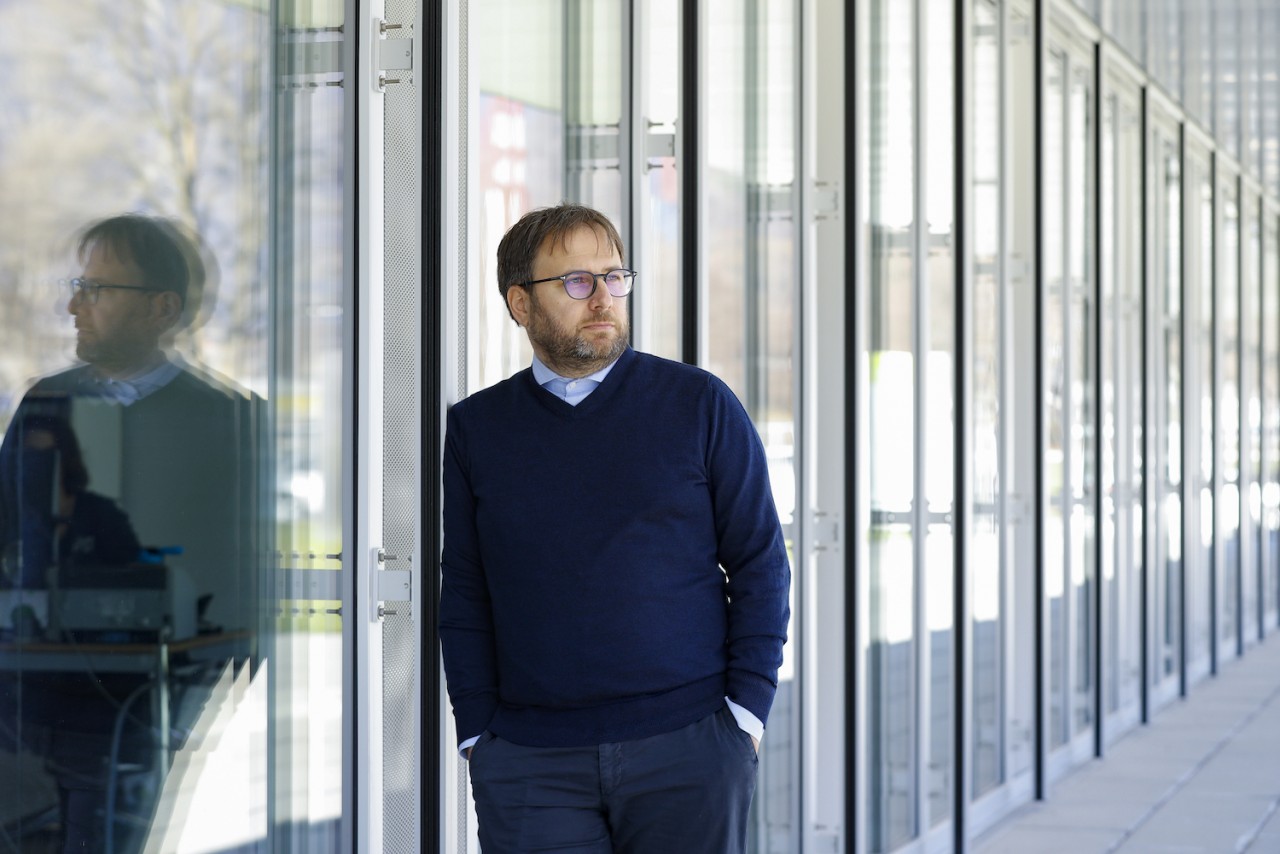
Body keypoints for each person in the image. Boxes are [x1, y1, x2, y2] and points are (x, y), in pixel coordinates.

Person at [440, 203, 791, 852]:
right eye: (576, 282)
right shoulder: (477, 430)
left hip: (689, 750)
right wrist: (477, 734)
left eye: (614, 277)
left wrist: (744, 717)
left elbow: (760, 563)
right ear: (521, 303)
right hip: (529, 760)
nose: (602, 297)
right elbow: (464, 591)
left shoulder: (699, 405)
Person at [0, 213, 257, 853]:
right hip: (24, 706)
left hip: (139, 714)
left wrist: (190, 710)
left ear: (161, 308)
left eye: (95, 289)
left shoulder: (226, 422)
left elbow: (241, 584)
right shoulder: (47, 404)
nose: (72, 305)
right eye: (75, 286)